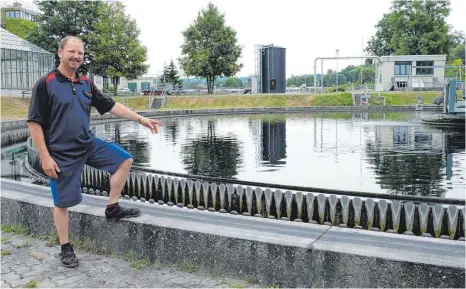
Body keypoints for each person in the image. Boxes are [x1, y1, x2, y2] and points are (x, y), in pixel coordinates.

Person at [26, 35, 163, 268]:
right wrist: (45, 157)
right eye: (72, 51)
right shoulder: (46, 82)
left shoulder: (86, 83)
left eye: (80, 53)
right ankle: (65, 247)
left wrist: (141, 119)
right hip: (61, 153)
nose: (76, 56)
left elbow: (112, 106)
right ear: (60, 52)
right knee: (62, 203)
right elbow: (34, 123)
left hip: (88, 144)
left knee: (124, 160)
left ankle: (112, 208)